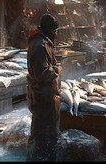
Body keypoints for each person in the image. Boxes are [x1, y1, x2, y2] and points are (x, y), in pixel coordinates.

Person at [26, 14, 61, 161]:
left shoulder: (44, 42)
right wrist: (57, 70)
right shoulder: (39, 45)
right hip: (42, 96)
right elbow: (41, 74)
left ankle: (46, 156)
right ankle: (39, 158)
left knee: (47, 130)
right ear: (49, 30)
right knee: (42, 132)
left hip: (46, 94)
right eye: (55, 31)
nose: (56, 34)